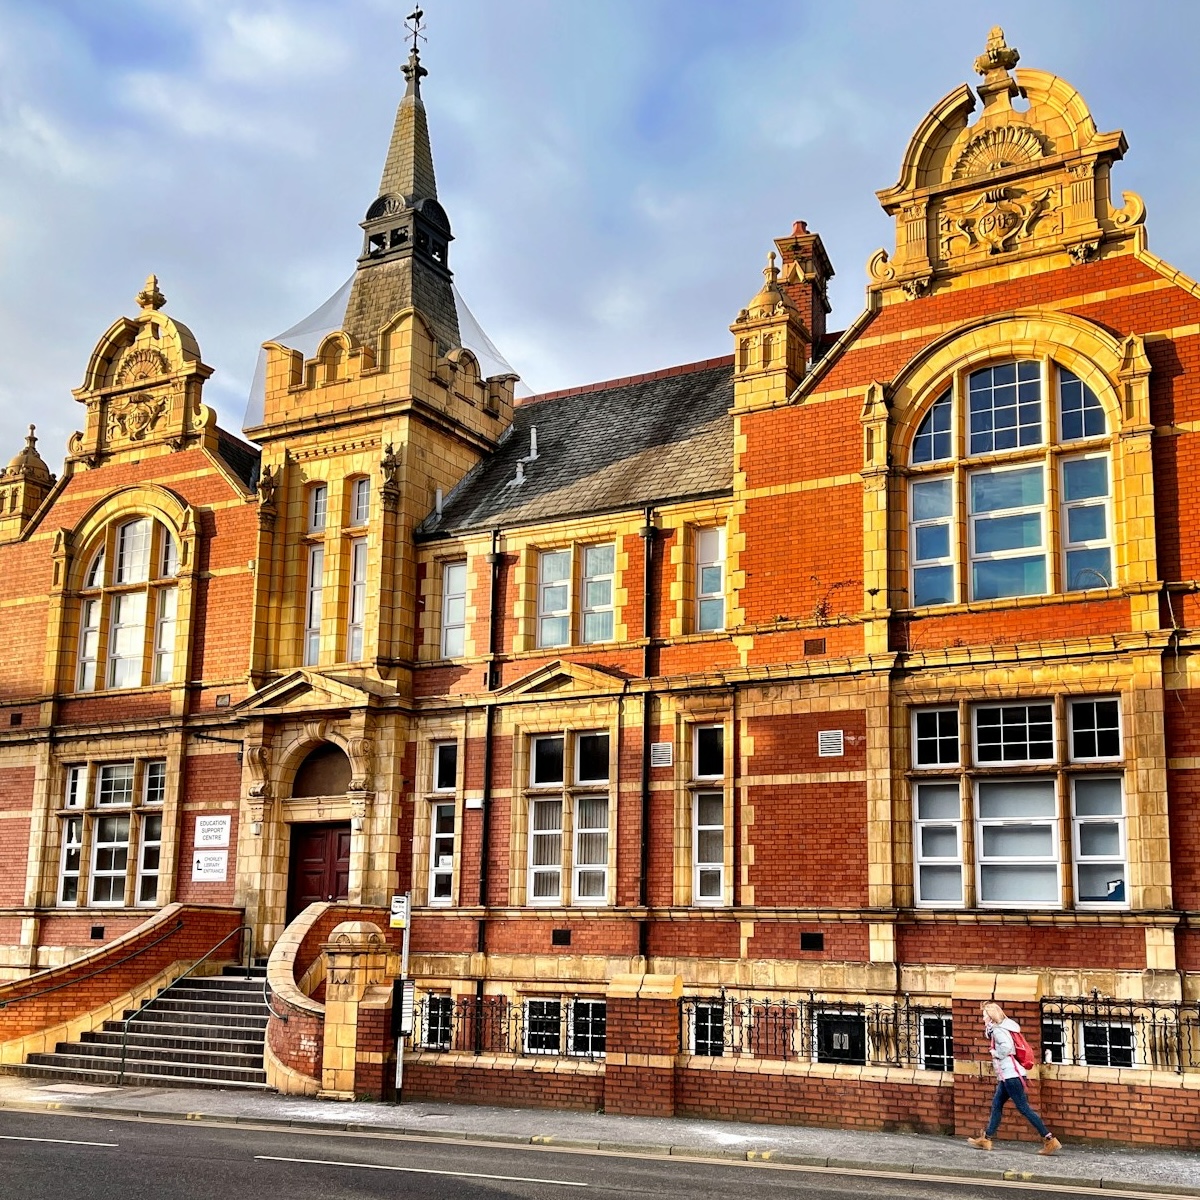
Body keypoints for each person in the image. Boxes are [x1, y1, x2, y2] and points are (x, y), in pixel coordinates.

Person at [967, 1001, 1061, 1155]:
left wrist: (995, 1053)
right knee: (997, 1104)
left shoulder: (998, 1030)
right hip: (1008, 1075)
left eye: (985, 1015)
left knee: (1024, 1108)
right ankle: (986, 1138)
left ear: (991, 1016)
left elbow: (1007, 1048)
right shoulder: (1001, 1028)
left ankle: (1050, 1139)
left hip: (1011, 1076)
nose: (983, 1018)